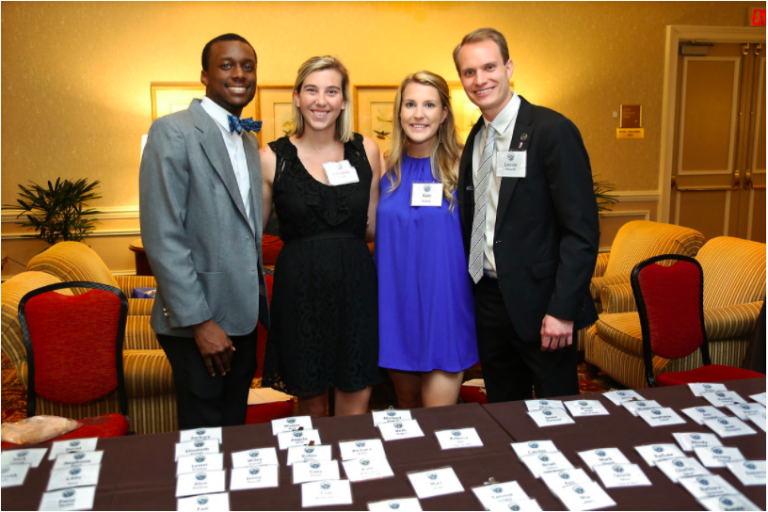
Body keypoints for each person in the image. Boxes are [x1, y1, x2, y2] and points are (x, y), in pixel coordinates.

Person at [454, 28, 599, 403]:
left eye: (489, 67)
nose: (480, 79)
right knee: (504, 408)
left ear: (508, 67)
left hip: (542, 306)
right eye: (469, 72)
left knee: (559, 412)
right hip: (488, 299)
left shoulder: (552, 131)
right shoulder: (476, 138)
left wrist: (563, 310)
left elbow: (581, 231)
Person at [139, 33, 269, 429]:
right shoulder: (172, 131)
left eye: (247, 66)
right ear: (204, 75)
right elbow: (163, 236)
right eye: (226, 65)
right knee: (203, 435)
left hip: (243, 316)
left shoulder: (246, 139)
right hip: (199, 322)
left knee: (233, 425)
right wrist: (200, 322)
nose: (239, 74)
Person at [260, 56, 382, 417]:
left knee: (356, 399)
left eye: (332, 91)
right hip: (300, 291)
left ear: (344, 100)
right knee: (310, 403)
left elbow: (374, 225)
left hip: (357, 289)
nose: (321, 100)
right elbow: (251, 234)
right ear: (296, 97)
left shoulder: (368, 151)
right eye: (311, 90)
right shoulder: (270, 158)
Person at [375, 71, 478, 408]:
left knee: (437, 418)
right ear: (399, 111)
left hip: (445, 307)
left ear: (444, 113)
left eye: (429, 104)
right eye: (411, 104)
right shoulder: (383, 168)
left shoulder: (466, 166)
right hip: (395, 306)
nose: (419, 114)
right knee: (407, 412)